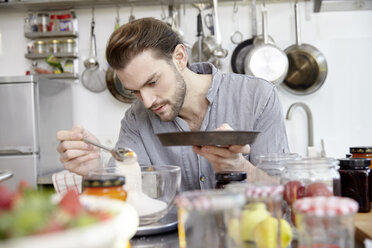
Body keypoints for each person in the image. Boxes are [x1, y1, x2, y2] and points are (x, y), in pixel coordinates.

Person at [57, 17, 289, 191]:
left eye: (153, 82)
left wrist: (240, 167)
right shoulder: (136, 120)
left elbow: (283, 191)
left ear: (179, 58)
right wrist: (94, 170)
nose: (147, 101)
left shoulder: (258, 96)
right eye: (135, 91)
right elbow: (129, 198)